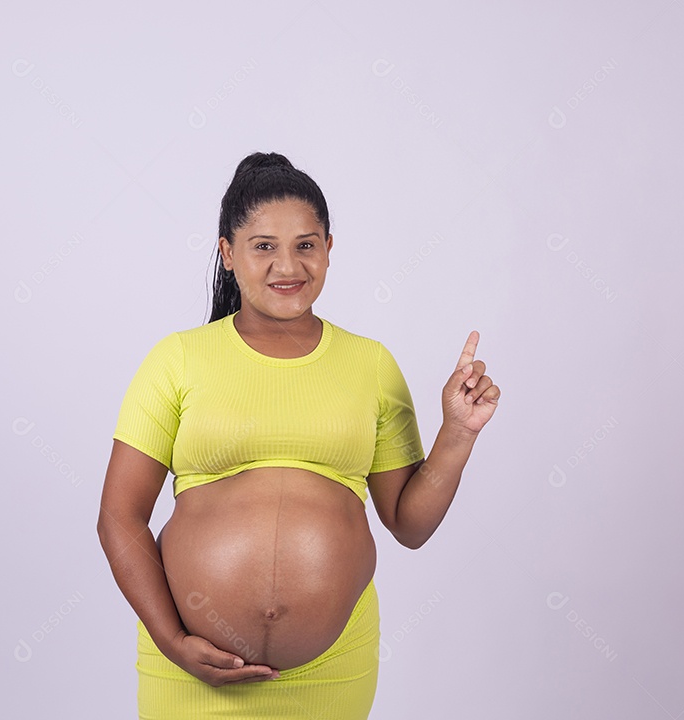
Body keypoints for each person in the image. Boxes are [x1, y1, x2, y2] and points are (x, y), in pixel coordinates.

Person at [97, 151, 500, 719]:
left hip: (332, 673)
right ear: (228, 253)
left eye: (305, 245)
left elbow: (409, 525)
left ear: (329, 250)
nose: (288, 265)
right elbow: (119, 516)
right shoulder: (178, 359)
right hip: (192, 669)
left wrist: (457, 433)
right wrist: (171, 640)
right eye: (264, 246)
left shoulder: (370, 364)